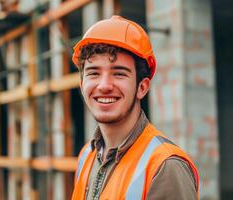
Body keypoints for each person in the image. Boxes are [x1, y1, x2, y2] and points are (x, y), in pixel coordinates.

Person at [71, 15, 199, 200]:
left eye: (119, 73)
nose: (104, 85)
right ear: (82, 86)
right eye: (93, 73)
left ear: (142, 87)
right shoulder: (86, 157)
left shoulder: (165, 166)